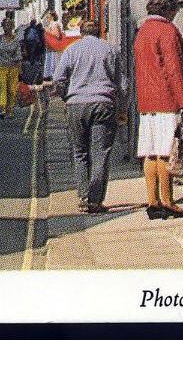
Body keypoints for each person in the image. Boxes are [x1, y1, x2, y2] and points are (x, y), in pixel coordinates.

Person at [46, 11, 125, 214]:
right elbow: (121, 84)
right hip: (103, 104)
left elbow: (58, 79)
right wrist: (122, 108)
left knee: (80, 152)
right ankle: (95, 200)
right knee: (101, 153)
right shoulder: (111, 50)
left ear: (80, 33)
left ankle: (83, 196)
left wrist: (67, 98)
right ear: (100, 32)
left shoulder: (72, 51)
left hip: (76, 105)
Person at [134, 0, 183, 219]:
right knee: (165, 152)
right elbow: (174, 69)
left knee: (150, 154)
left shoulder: (142, 32)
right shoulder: (167, 31)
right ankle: (168, 201)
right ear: (170, 9)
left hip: (146, 102)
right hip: (166, 100)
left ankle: (152, 202)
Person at [0, 15, 24, 117]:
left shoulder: (16, 41)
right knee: (3, 87)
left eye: (8, 26)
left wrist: (20, 67)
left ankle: (11, 109)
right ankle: (3, 109)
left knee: (12, 89)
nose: (6, 28)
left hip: (13, 67)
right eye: (4, 26)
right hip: (1, 66)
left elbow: (18, 55)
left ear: (12, 27)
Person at [21, 15, 46, 85]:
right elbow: (37, 37)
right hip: (32, 43)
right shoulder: (34, 29)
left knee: (32, 52)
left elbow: (27, 36)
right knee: (32, 52)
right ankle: (32, 60)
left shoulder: (30, 29)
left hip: (31, 43)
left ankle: (31, 60)